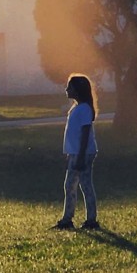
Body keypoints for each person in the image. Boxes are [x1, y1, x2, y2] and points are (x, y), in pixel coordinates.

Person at [53, 73, 99, 230]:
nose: (66, 89)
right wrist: (71, 153)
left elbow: (85, 133)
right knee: (73, 185)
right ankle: (73, 219)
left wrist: (79, 156)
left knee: (80, 185)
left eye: (69, 87)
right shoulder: (77, 108)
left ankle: (79, 220)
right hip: (76, 153)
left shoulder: (84, 109)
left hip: (83, 154)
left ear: (78, 90)